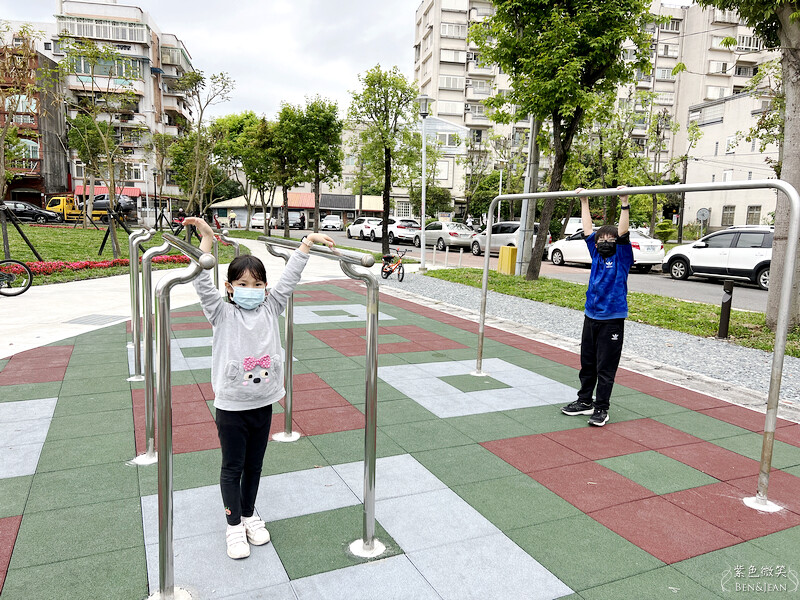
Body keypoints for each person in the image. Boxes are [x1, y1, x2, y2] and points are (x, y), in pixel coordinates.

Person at [183, 216, 334, 559]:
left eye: (256, 283)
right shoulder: (221, 313)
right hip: (232, 408)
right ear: (230, 287)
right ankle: (233, 524)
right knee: (232, 466)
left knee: (254, 465)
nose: (250, 289)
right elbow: (201, 281)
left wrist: (307, 244)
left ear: (265, 287)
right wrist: (206, 242)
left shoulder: (271, 307)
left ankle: (249, 514)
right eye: (242, 283)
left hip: (263, 403)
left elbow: (290, 278)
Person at [561, 187, 633, 427]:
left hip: (612, 319)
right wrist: (584, 201)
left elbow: (623, 233)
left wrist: (624, 202)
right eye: (601, 240)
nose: (604, 242)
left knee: (605, 367)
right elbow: (588, 230)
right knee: (588, 363)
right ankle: (585, 401)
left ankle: (602, 408)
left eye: (609, 240)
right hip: (590, 316)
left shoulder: (622, 258)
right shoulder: (596, 255)